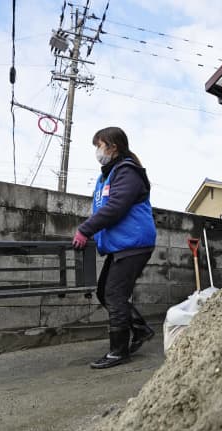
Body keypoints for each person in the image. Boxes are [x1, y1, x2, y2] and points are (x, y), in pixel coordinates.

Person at [72, 127, 157, 369]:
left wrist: (85, 229)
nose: (97, 151)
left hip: (135, 243)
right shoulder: (107, 176)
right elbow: (103, 209)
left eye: (99, 145)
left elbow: (116, 207)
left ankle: (118, 351)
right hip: (121, 245)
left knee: (115, 294)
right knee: (104, 292)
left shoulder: (127, 171)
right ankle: (140, 329)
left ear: (113, 146)